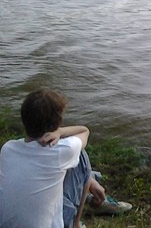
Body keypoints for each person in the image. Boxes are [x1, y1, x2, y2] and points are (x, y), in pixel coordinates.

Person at [0, 89, 132, 228]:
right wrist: (61, 132)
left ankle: (90, 192)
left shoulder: (8, 149)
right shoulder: (63, 150)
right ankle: (77, 223)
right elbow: (84, 131)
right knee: (80, 155)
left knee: (68, 162)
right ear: (58, 122)